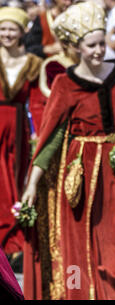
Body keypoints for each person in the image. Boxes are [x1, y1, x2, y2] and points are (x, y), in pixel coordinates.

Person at [20, 1, 115, 300]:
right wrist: (32, 183)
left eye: (101, 43)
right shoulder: (65, 83)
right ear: (76, 47)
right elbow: (51, 137)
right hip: (81, 176)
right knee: (84, 247)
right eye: (90, 45)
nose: (97, 50)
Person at [0, 6, 42, 257]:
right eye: (2, 29)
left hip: (17, 129)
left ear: (21, 32)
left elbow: (36, 102)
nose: (6, 34)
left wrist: (39, 130)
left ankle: (12, 238)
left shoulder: (33, 63)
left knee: (15, 180)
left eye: (11, 29)